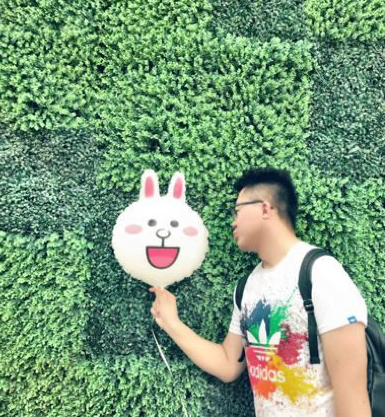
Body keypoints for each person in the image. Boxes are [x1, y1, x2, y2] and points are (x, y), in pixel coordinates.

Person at [150, 167, 371, 417]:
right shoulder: (247, 286)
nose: (233, 221)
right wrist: (171, 322)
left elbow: (352, 394)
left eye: (237, 210)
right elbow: (228, 364)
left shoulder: (320, 272)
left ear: (265, 209)